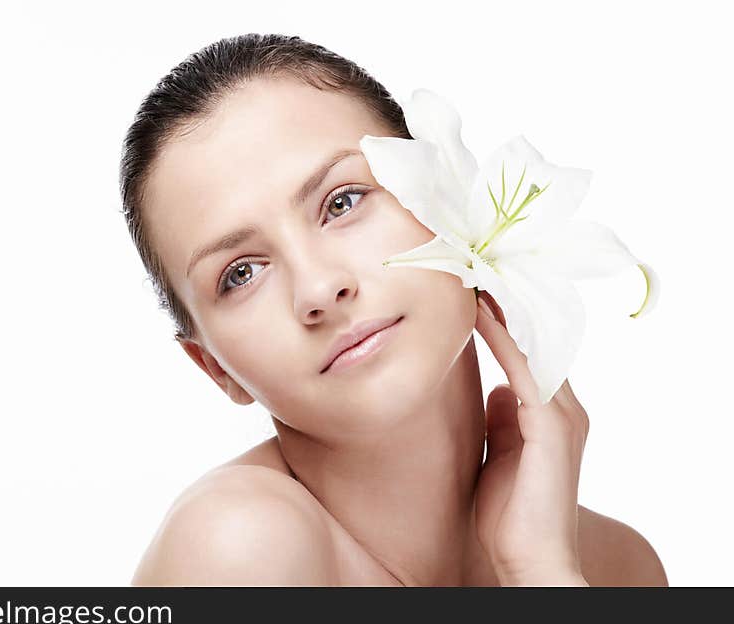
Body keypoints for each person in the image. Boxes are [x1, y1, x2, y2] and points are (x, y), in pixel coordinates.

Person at [119, 33, 668, 586]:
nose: (318, 289)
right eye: (241, 274)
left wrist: (541, 569)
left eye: (342, 202)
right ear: (213, 367)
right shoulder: (236, 547)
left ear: (444, 197)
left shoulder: (619, 568)